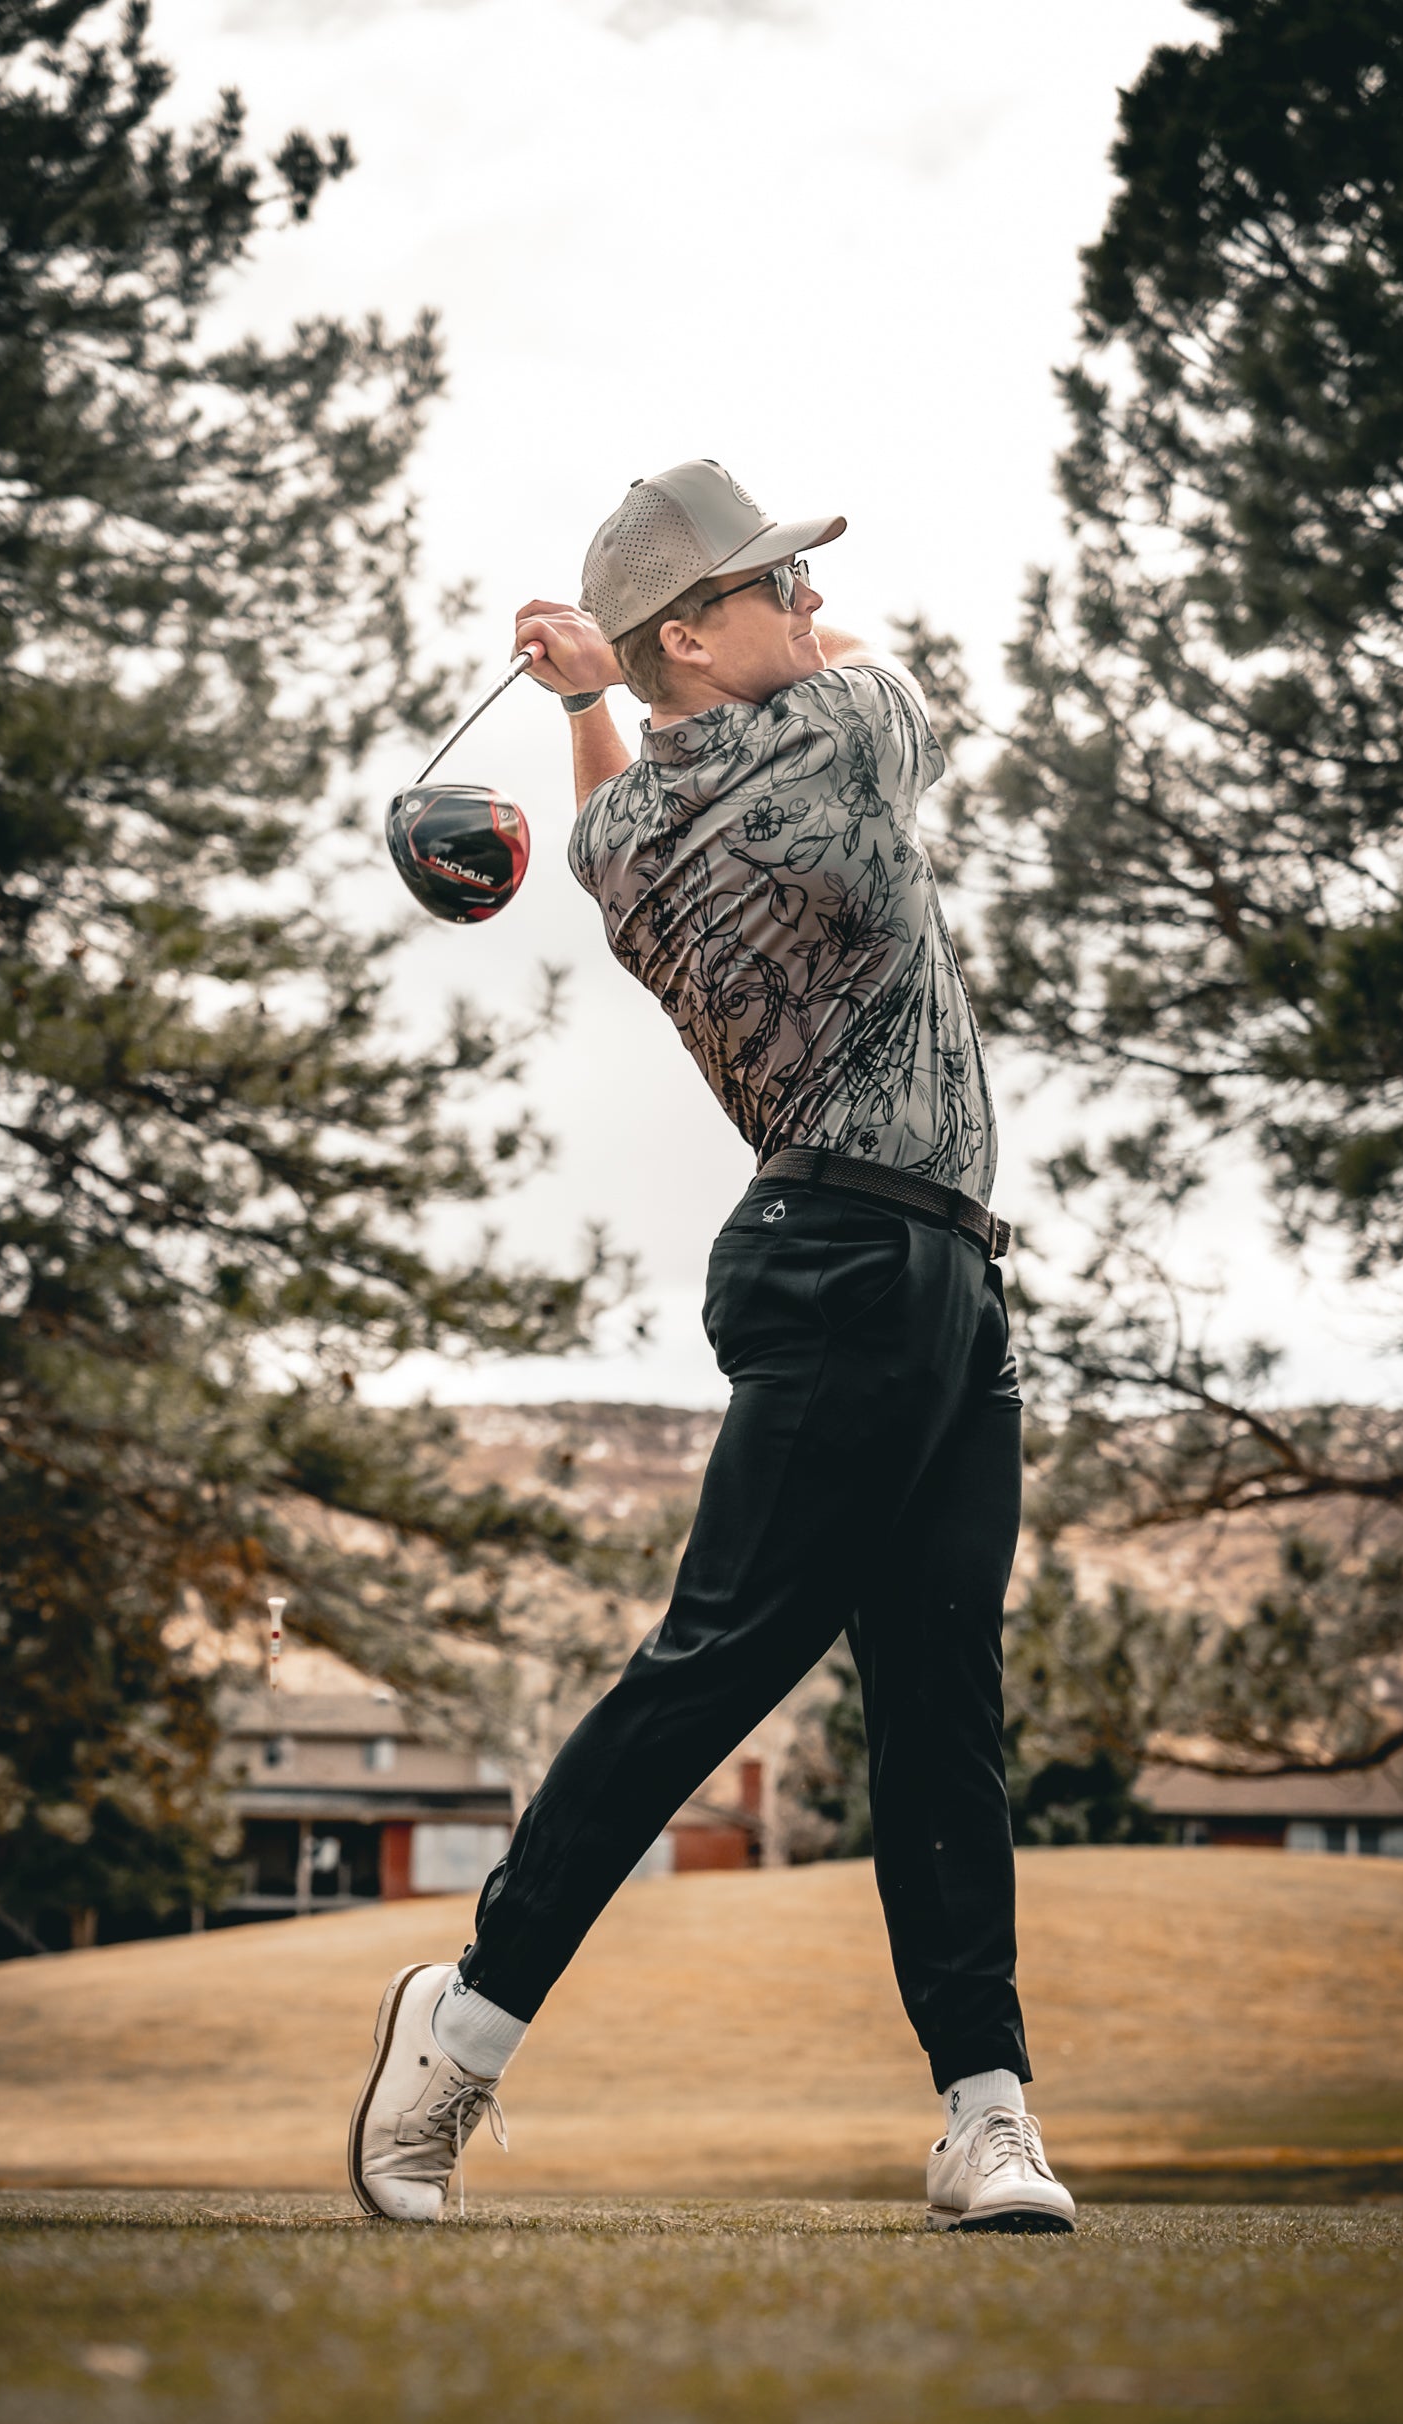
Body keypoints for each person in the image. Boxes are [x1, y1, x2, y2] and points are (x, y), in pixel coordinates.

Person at [347, 460, 1075, 2236]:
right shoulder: (843, 735)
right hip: (851, 1263)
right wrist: (614, 684)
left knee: (939, 1710)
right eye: (777, 591)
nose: (814, 612)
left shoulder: (629, 835)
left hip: (931, 1275)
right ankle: (463, 2026)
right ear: (698, 630)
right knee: (717, 1668)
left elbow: (613, 816)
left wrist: (602, 698)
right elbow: (873, 681)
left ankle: (988, 2114)